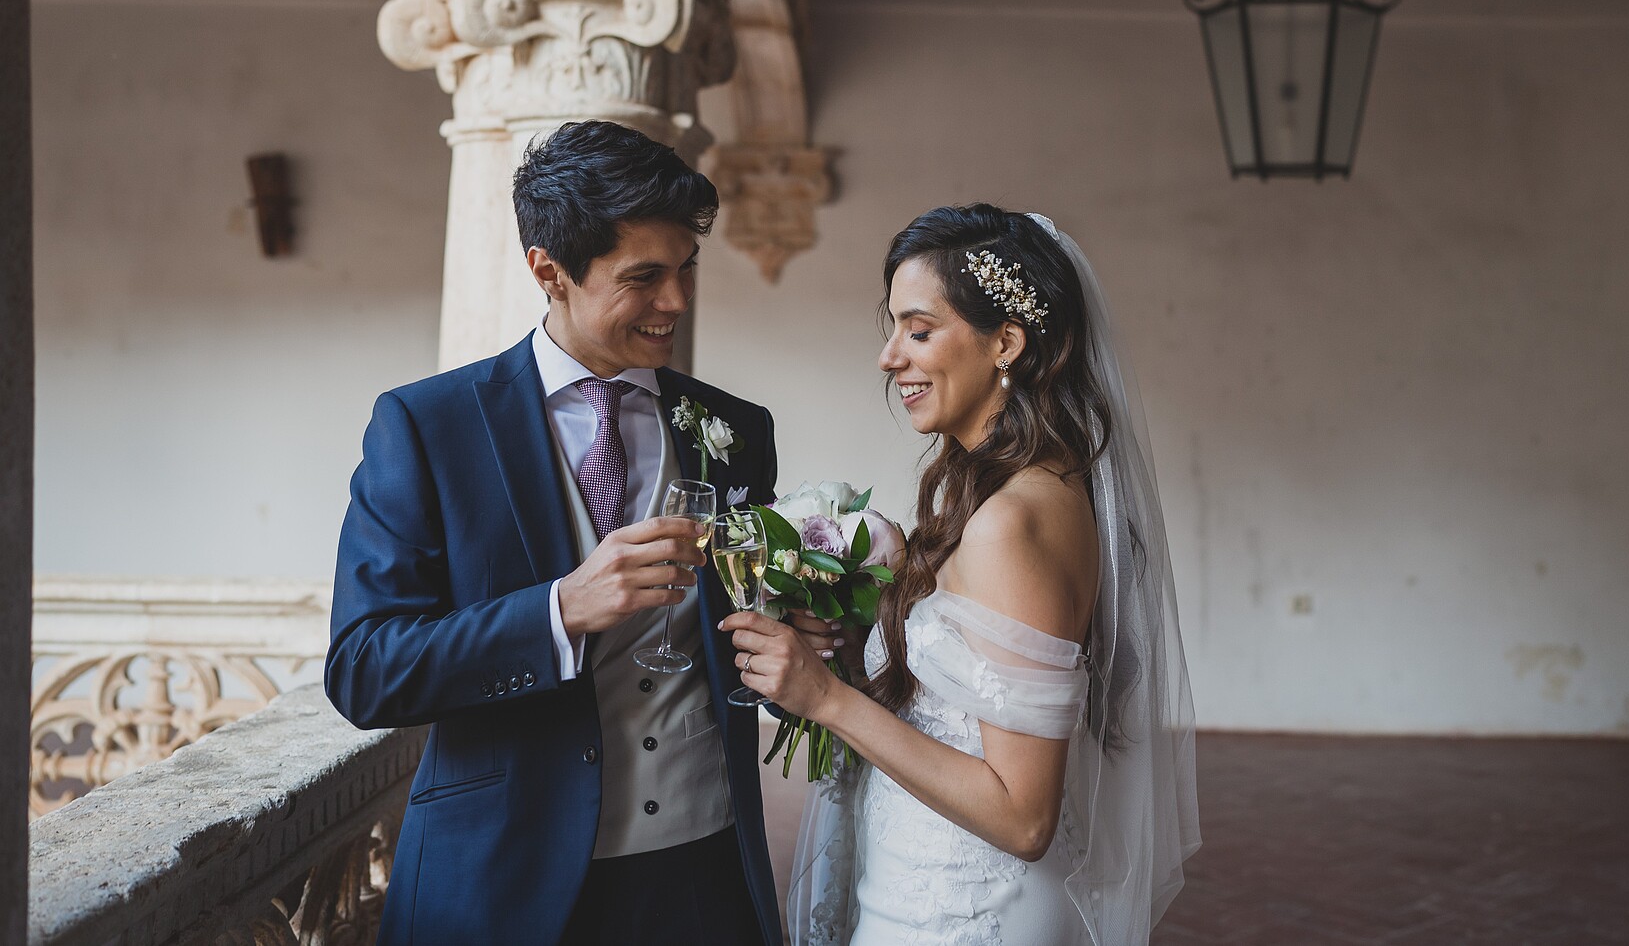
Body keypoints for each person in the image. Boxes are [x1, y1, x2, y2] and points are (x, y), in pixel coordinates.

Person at [325, 120, 782, 946]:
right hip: (503, 880)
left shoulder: (733, 428)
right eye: (644, 277)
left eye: (685, 269)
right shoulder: (427, 426)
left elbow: (745, 623)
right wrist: (559, 610)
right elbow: (364, 671)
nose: (676, 302)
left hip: (702, 871)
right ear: (550, 271)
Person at [725, 205, 1201, 945]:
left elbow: (1025, 816)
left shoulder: (1011, 521)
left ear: (1005, 342)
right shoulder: (1008, 487)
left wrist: (823, 698)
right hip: (922, 874)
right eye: (891, 328)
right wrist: (861, 639)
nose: (889, 358)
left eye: (918, 330)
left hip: (968, 910)